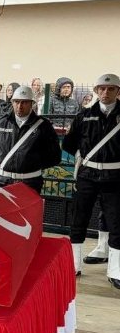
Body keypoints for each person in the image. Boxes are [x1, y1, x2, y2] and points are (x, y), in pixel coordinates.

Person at [63, 73, 120, 286]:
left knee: (117, 222)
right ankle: (74, 265)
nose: (106, 93)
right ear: (96, 91)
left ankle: (115, 270)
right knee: (79, 219)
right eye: (102, 89)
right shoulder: (84, 115)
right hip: (87, 175)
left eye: (111, 89)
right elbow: (68, 144)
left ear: (118, 91)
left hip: (115, 177)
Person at [0, 86, 61, 193]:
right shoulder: (2, 123)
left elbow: (54, 156)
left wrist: (32, 164)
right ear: (12, 102)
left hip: (30, 182)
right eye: (16, 102)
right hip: (3, 181)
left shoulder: (44, 126)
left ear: (32, 103)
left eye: (24, 102)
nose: (19, 106)